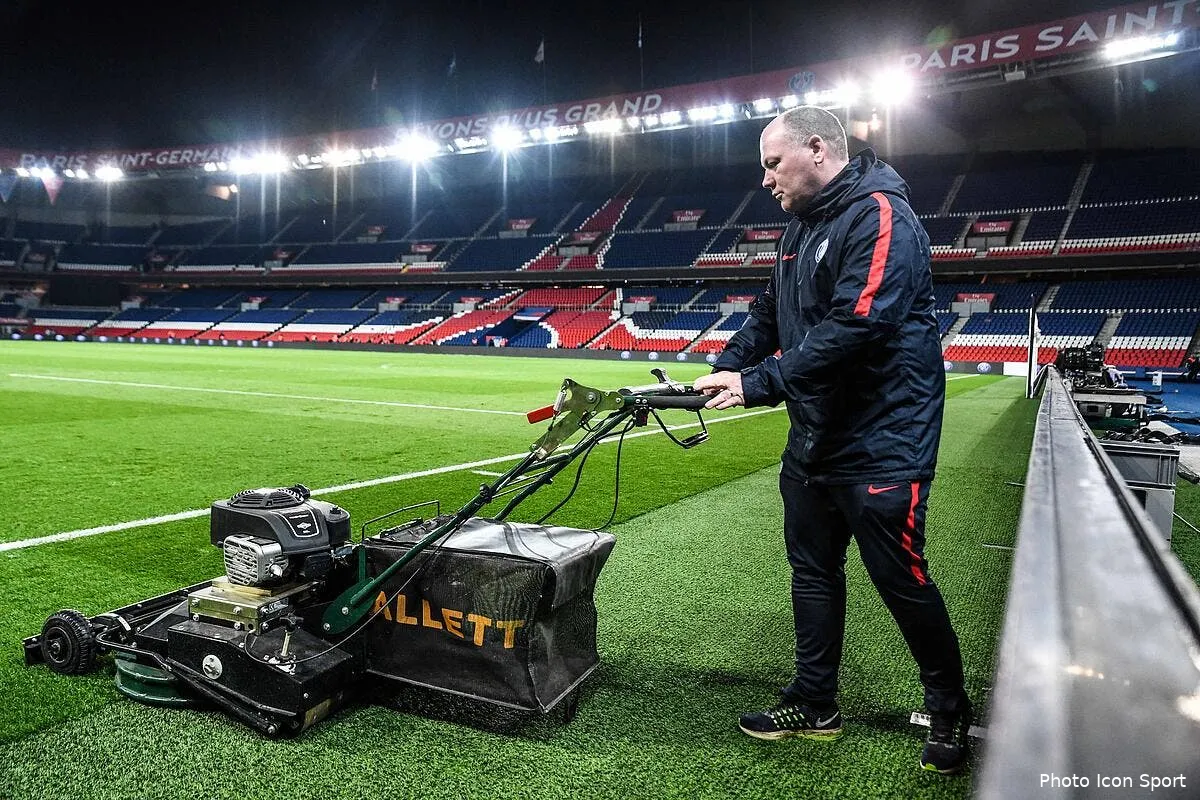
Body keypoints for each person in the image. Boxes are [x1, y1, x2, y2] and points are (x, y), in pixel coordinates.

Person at [692, 106, 971, 775]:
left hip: (883, 436)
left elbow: (860, 325)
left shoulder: (880, 214)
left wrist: (760, 383)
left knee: (899, 579)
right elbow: (769, 314)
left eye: (772, 163)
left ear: (817, 149)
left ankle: (950, 707)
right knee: (813, 574)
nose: (765, 180)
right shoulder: (798, 228)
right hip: (815, 437)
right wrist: (727, 364)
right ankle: (815, 702)